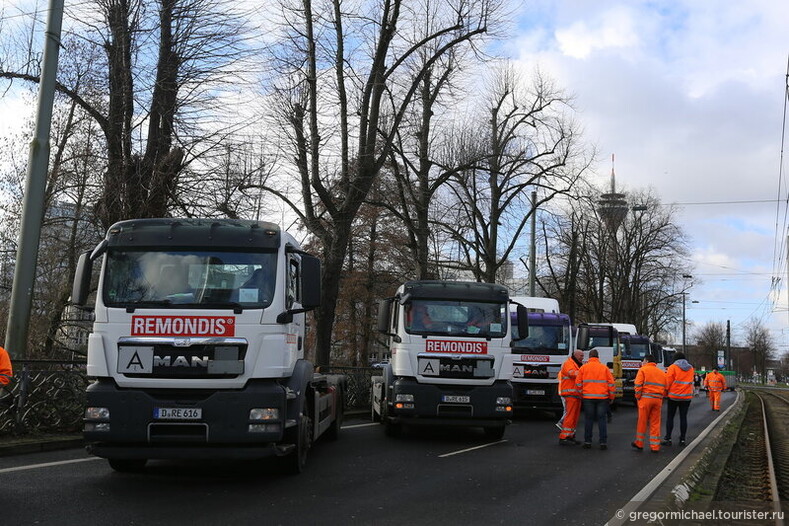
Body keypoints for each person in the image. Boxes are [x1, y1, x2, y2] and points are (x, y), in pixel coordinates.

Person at [575, 349, 616, 450]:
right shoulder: (604, 368)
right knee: (602, 420)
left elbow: (578, 384)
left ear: (589, 357)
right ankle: (603, 442)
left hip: (588, 397)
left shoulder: (583, 368)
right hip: (602, 398)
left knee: (588, 420)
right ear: (598, 357)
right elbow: (611, 384)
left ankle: (588, 441)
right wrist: (611, 397)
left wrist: (581, 394)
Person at [631, 355, 667, 452]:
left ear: (646, 361)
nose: (642, 362)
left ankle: (639, 443)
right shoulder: (661, 372)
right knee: (655, 423)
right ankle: (655, 446)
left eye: (643, 360)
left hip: (645, 399)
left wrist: (638, 397)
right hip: (658, 399)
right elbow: (665, 387)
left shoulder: (643, 370)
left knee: (642, 421)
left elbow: (638, 385)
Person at [662, 352, 694, 446]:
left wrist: (665, 393)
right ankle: (682, 439)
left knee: (670, 417)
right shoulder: (691, 368)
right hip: (686, 397)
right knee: (683, 417)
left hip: (674, 396)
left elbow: (668, 381)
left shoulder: (673, 367)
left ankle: (668, 438)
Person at [557, 349, 584, 445]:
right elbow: (571, 373)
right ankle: (564, 437)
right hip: (570, 394)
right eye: (581, 355)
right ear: (575, 355)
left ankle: (570, 435)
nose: (582, 357)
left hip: (576, 394)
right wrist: (584, 373)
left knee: (574, 417)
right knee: (570, 416)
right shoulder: (568, 363)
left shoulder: (576, 364)